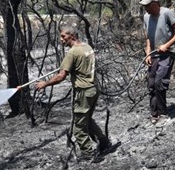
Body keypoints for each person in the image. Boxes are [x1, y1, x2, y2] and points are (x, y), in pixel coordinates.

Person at [34, 26, 116, 162]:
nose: (61, 40)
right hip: (93, 89)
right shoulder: (86, 47)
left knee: (78, 127)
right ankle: (104, 142)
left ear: (72, 36)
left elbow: (61, 77)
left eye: (63, 37)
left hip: (84, 92)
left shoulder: (72, 53)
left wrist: (45, 84)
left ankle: (90, 154)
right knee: (87, 120)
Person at [139, 0, 175, 123]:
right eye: (145, 6)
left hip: (167, 54)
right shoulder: (146, 17)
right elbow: (148, 37)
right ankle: (154, 114)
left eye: (148, 5)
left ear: (155, 3)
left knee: (160, 82)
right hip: (153, 54)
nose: (146, 8)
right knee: (151, 83)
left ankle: (163, 113)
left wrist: (166, 45)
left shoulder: (166, 13)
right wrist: (147, 53)